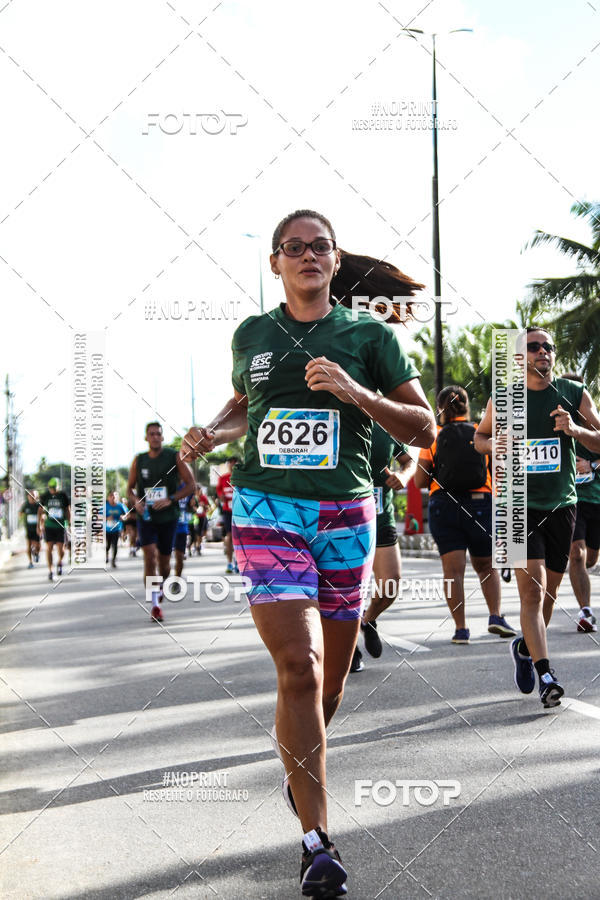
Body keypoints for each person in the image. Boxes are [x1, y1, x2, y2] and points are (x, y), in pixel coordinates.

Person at [182, 209, 435, 898]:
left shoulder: (367, 336)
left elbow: (424, 427)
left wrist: (355, 391)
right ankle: (317, 842)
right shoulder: (253, 334)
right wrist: (214, 429)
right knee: (299, 666)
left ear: (333, 259)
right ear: (276, 264)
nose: (307, 256)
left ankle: (302, 764)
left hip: (345, 512)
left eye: (319, 246)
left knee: (330, 685)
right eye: (293, 248)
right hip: (266, 508)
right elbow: (245, 405)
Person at [475, 328, 600, 707]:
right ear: (519, 357)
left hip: (562, 504)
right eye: (533, 347)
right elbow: (479, 439)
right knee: (531, 590)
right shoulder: (506, 398)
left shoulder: (573, 393)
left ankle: (526, 647)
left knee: (549, 593)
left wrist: (574, 429)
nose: (543, 352)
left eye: (548, 346)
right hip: (515, 504)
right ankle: (547, 673)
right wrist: (495, 443)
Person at [415, 386, 515, 644]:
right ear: (467, 407)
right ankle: (495, 616)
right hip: (480, 504)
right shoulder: (481, 435)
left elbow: (419, 481)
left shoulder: (433, 437)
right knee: (486, 567)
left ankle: (461, 629)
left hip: (444, 506)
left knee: (453, 572)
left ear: (440, 409)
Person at [350, 424, 416, 672]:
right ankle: (349, 648)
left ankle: (368, 620)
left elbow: (409, 461)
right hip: (341, 514)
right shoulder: (334, 411)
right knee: (347, 587)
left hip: (380, 515)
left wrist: (403, 476)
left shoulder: (386, 421)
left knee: (391, 583)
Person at [127, 422, 195, 622]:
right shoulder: (138, 461)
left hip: (168, 516)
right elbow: (129, 489)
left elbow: (191, 485)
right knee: (149, 556)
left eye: (158, 434)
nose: (155, 437)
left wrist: (171, 499)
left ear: (162, 437)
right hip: (146, 516)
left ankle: (162, 585)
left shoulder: (173, 457)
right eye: (151, 434)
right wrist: (136, 502)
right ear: (146, 438)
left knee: (165, 563)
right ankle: (155, 604)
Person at [563, 374, 600, 632]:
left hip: (597, 499)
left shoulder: (592, 423)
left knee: (590, 557)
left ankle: (580, 572)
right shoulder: (552, 423)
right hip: (571, 499)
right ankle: (585, 611)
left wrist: (592, 464)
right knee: (576, 553)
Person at [38, 478, 71, 581]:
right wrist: (39, 524)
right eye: (51, 488)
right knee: (49, 548)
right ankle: (51, 571)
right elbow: (40, 510)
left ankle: (60, 562)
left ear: (58, 487)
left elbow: (67, 510)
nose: (52, 490)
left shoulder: (63, 496)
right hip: (49, 526)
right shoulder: (45, 496)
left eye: (54, 488)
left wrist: (68, 524)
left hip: (60, 526)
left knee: (61, 550)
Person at [172, 484, 198, 582]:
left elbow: (192, 503)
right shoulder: (167, 482)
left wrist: (192, 504)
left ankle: (176, 580)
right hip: (166, 525)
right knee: (161, 559)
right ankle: (161, 578)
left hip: (181, 527)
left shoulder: (187, 485)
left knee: (180, 556)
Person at [216, 457, 238, 573]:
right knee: (229, 535)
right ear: (228, 464)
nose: (233, 465)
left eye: (235, 463)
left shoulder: (241, 477)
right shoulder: (223, 478)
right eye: (231, 463)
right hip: (227, 510)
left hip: (240, 511)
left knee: (239, 537)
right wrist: (221, 496)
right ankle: (230, 562)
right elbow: (219, 490)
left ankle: (238, 562)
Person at [105, 491, 127, 568]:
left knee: (115, 545)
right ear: (108, 498)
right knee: (107, 545)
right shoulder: (105, 506)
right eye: (111, 496)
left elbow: (126, 515)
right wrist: (106, 518)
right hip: (107, 529)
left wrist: (123, 517)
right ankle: (106, 555)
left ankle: (113, 561)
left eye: (114, 496)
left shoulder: (120, 506)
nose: (113, 498)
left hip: (116, 529)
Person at [20, 489, 41, 568]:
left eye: (34, 495)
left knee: (38, 545)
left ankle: (36, 553)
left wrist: (41, 524)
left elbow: (43, 515)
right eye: (30, 495)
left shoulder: (39, 505)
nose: (32, 497)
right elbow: (20, 513)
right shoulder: (25, 505)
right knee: (28, 545)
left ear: (37, 497)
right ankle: (30, 562)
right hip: (28, 528)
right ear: (28, 496)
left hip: (37, 529)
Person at [193, 485, 210, 555]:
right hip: (194, 517)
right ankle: (194, 545)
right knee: (194, 532)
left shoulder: (203, 497)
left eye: (199, 490)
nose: (198, 492)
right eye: (196, 490)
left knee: (200, 532)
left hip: (202, 517)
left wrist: (204, 505)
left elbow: (208, 507)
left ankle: (198, 546)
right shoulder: (193, 498)